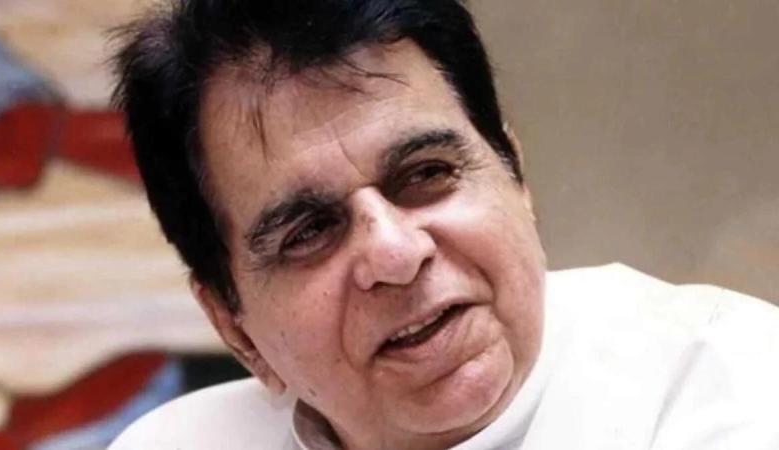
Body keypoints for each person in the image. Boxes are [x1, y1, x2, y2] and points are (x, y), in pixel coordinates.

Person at [108, 1, 779, 449]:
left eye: (427, 173)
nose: (396, 254)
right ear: (234, 328)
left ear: (515, 175)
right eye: (308, 231)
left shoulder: (734, 388)